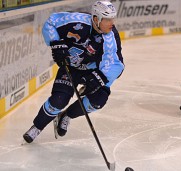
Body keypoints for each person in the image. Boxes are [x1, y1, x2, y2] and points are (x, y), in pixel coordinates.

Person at [23, 1, 124, 143]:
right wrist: (56, 44)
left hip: (92, 72)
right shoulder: (77, 22)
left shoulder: (111, 36)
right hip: (70, 67)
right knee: (58, 101)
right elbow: (51, 23)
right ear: (96, 19)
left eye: (112, 18)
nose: (112, 23)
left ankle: (66, 116)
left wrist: (98, 78)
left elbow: (116, 64)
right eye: (107, 19)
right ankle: (37, 127)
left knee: (98, 101)